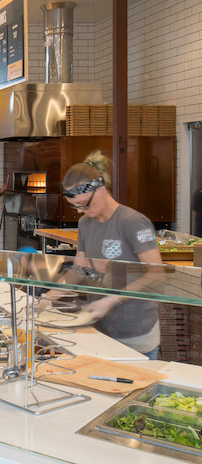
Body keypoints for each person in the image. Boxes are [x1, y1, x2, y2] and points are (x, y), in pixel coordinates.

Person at [60, 150, 162, 358]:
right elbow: (81, 268)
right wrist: (49, 295)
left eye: (83, 204)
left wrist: (112, 300)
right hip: (101, 327)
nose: (79, 211)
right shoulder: (85, 223)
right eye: (74, 206)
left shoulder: (131, 221)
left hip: (135, 330)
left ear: (101, 191)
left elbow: (157, 273)